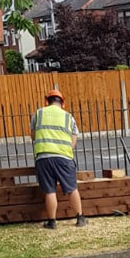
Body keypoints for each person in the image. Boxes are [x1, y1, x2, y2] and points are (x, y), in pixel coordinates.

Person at [31, 89, 87, 229]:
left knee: (50, 191)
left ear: (47, 101)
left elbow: (33, 136)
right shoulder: (68, 117)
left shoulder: (38, 114)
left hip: (44, 157)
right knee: (72, 188)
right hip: (64, 158)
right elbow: (73, 142)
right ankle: (80, 218)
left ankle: (52, 222)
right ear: (62, 103)